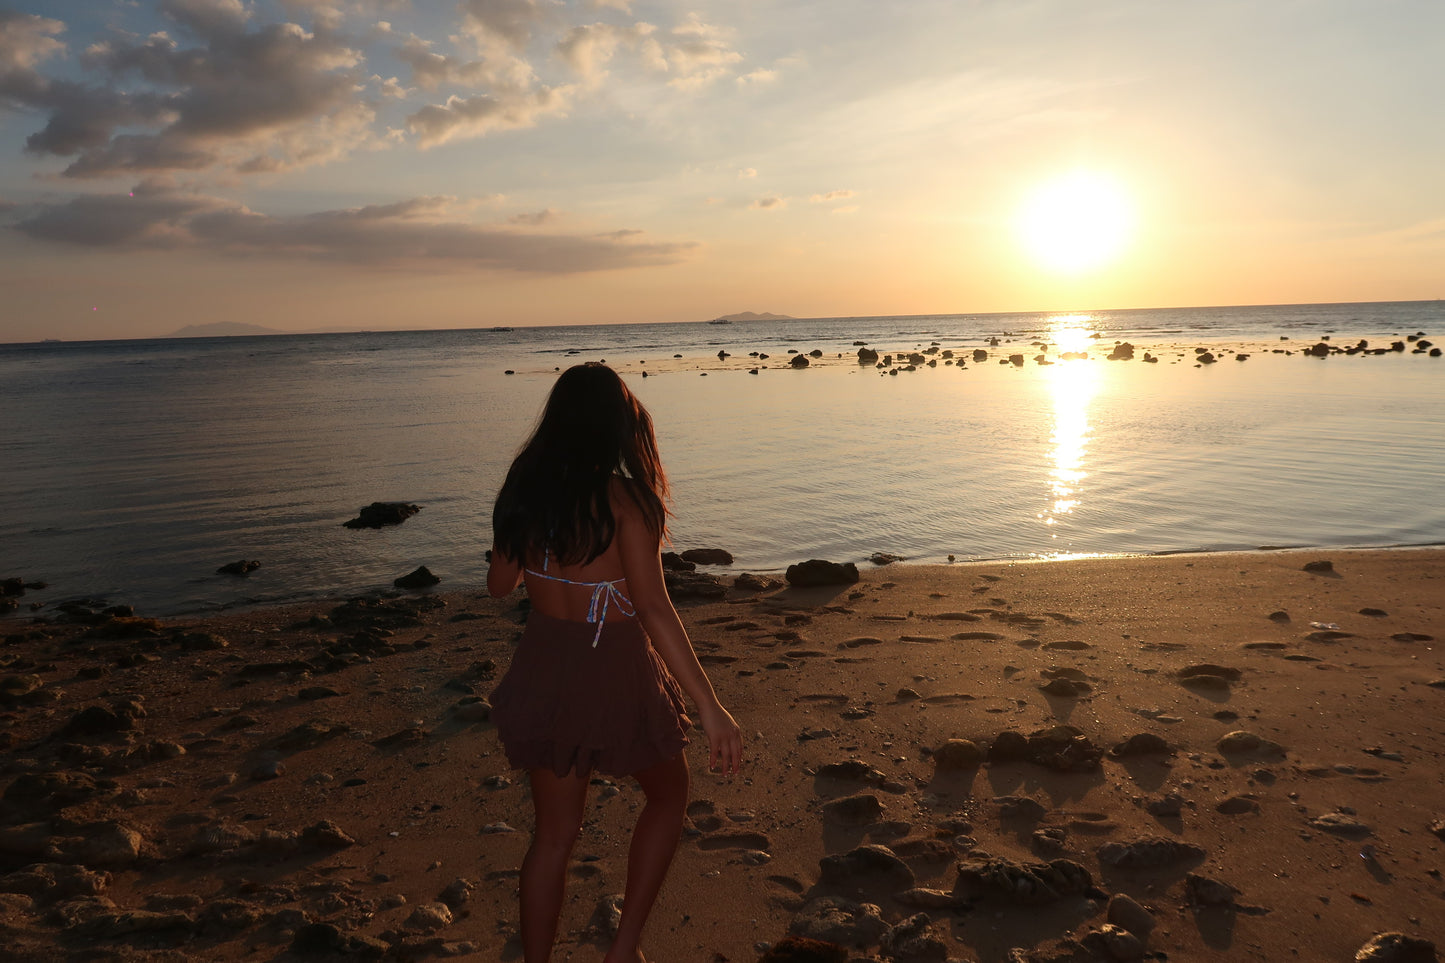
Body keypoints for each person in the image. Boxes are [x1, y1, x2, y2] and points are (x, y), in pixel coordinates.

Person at [487, 362, 743, 963]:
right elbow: (653, 609)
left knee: (552, 838)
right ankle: (624, 949)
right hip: (616, 668)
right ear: (618, 427)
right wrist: (711, 707)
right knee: (667, 795)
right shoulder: (629, 500)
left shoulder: (523, 492)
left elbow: (500, 586)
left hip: (545, 665)